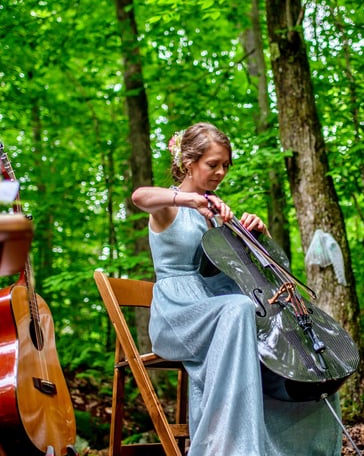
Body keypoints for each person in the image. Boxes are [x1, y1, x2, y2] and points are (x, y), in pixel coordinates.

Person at [131, 122, 343, 456]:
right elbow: (139, 196)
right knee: (238, 310)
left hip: (225, 309)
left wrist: (256, 234)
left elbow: (249, 272)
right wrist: (189, 200)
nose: (220, 173)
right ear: (189, 163)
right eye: (212, 164)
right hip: (179, 313)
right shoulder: (170, 206)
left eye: (225, 165)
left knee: (300, 346)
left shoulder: (219, 213)